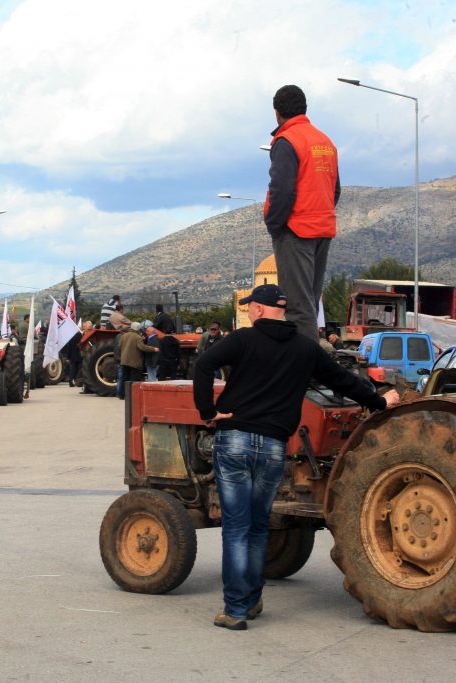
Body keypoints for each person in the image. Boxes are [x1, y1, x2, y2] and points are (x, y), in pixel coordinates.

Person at [192, 284, 398, 630]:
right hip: (274, 447)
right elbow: (344, 381)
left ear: (259, 309)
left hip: (235, 441)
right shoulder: (306, 348)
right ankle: (252, 599)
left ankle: (236, 609)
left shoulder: (243, 340)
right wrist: (380, 402)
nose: (249, 311)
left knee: (236, 528)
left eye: (250, 306)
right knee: (258, 527)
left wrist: (207, 411)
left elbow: (203, 365)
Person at [264, 85, 340, 340]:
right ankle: (309, 366)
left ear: (277, 113)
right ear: (304, 108)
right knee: (310, 301)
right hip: (322, 229)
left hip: (296, 231)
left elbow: (282, 190)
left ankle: (303, 371)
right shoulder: (325, 141)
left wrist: (275, 225)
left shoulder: (287, 141)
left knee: (297, 307)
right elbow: (335, 189)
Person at [117, 321, 158, 399]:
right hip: (134, 362)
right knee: (134, 379)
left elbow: (119, 346)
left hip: (124, 361)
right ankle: (132, 395)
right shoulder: (137, 337)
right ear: (138, 329)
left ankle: (122, 395)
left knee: (124, 378)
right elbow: (142, 347)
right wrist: (153, 349)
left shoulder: (124, 336)